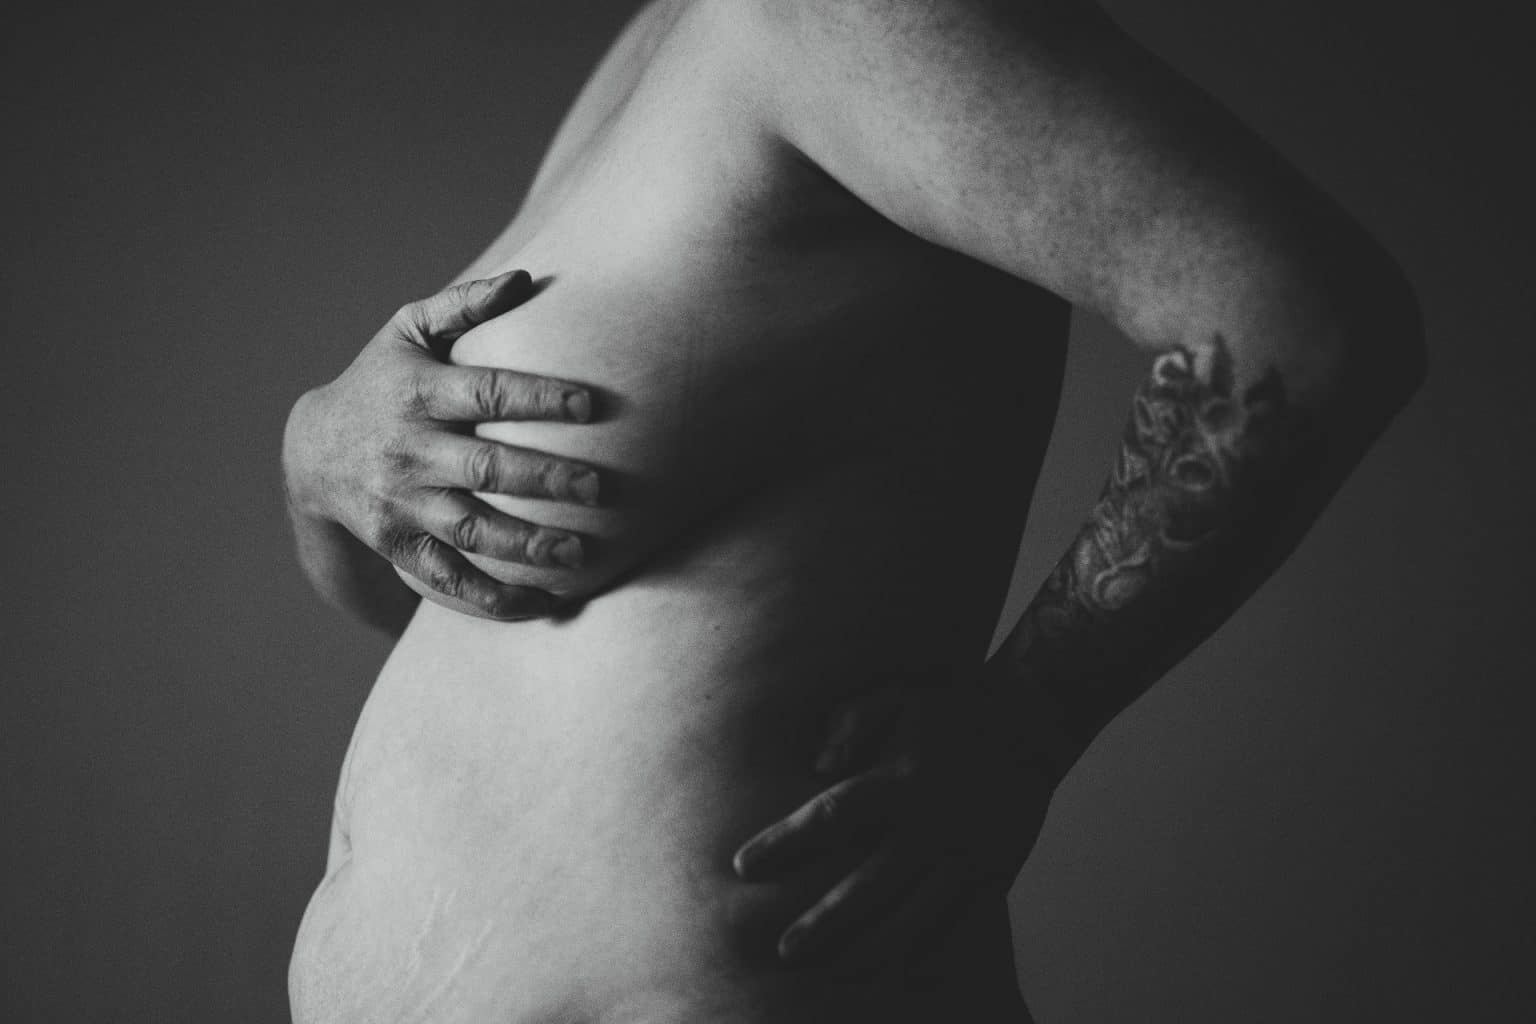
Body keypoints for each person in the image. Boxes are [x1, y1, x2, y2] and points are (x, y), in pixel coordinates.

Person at [280, 1, 1425, 1021]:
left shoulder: (863, 19)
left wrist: (1034, 714)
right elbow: (430, 594)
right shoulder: (665, 39)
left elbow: (1310, 325)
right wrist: (317, 454)